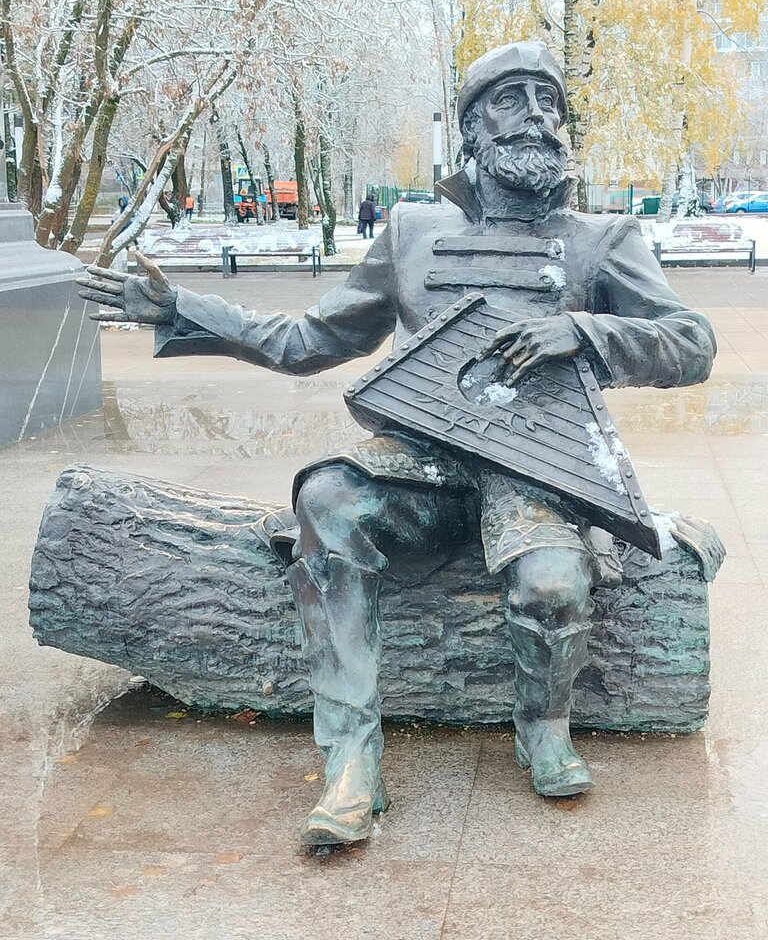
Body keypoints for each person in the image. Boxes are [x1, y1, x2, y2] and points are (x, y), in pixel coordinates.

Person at [77, 41, 716, 848]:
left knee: (554, 585)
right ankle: (351, 759)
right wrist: (185, 310)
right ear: (472, 128)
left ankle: (543, 728)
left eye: (548, 101)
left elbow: (692, 343)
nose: (536, 116)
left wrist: (586, 332)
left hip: (540, 475)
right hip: (425, 464)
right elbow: (312, 338)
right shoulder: (413, 229)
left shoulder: (603, 238)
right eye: (511, 99)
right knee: (328, 499)